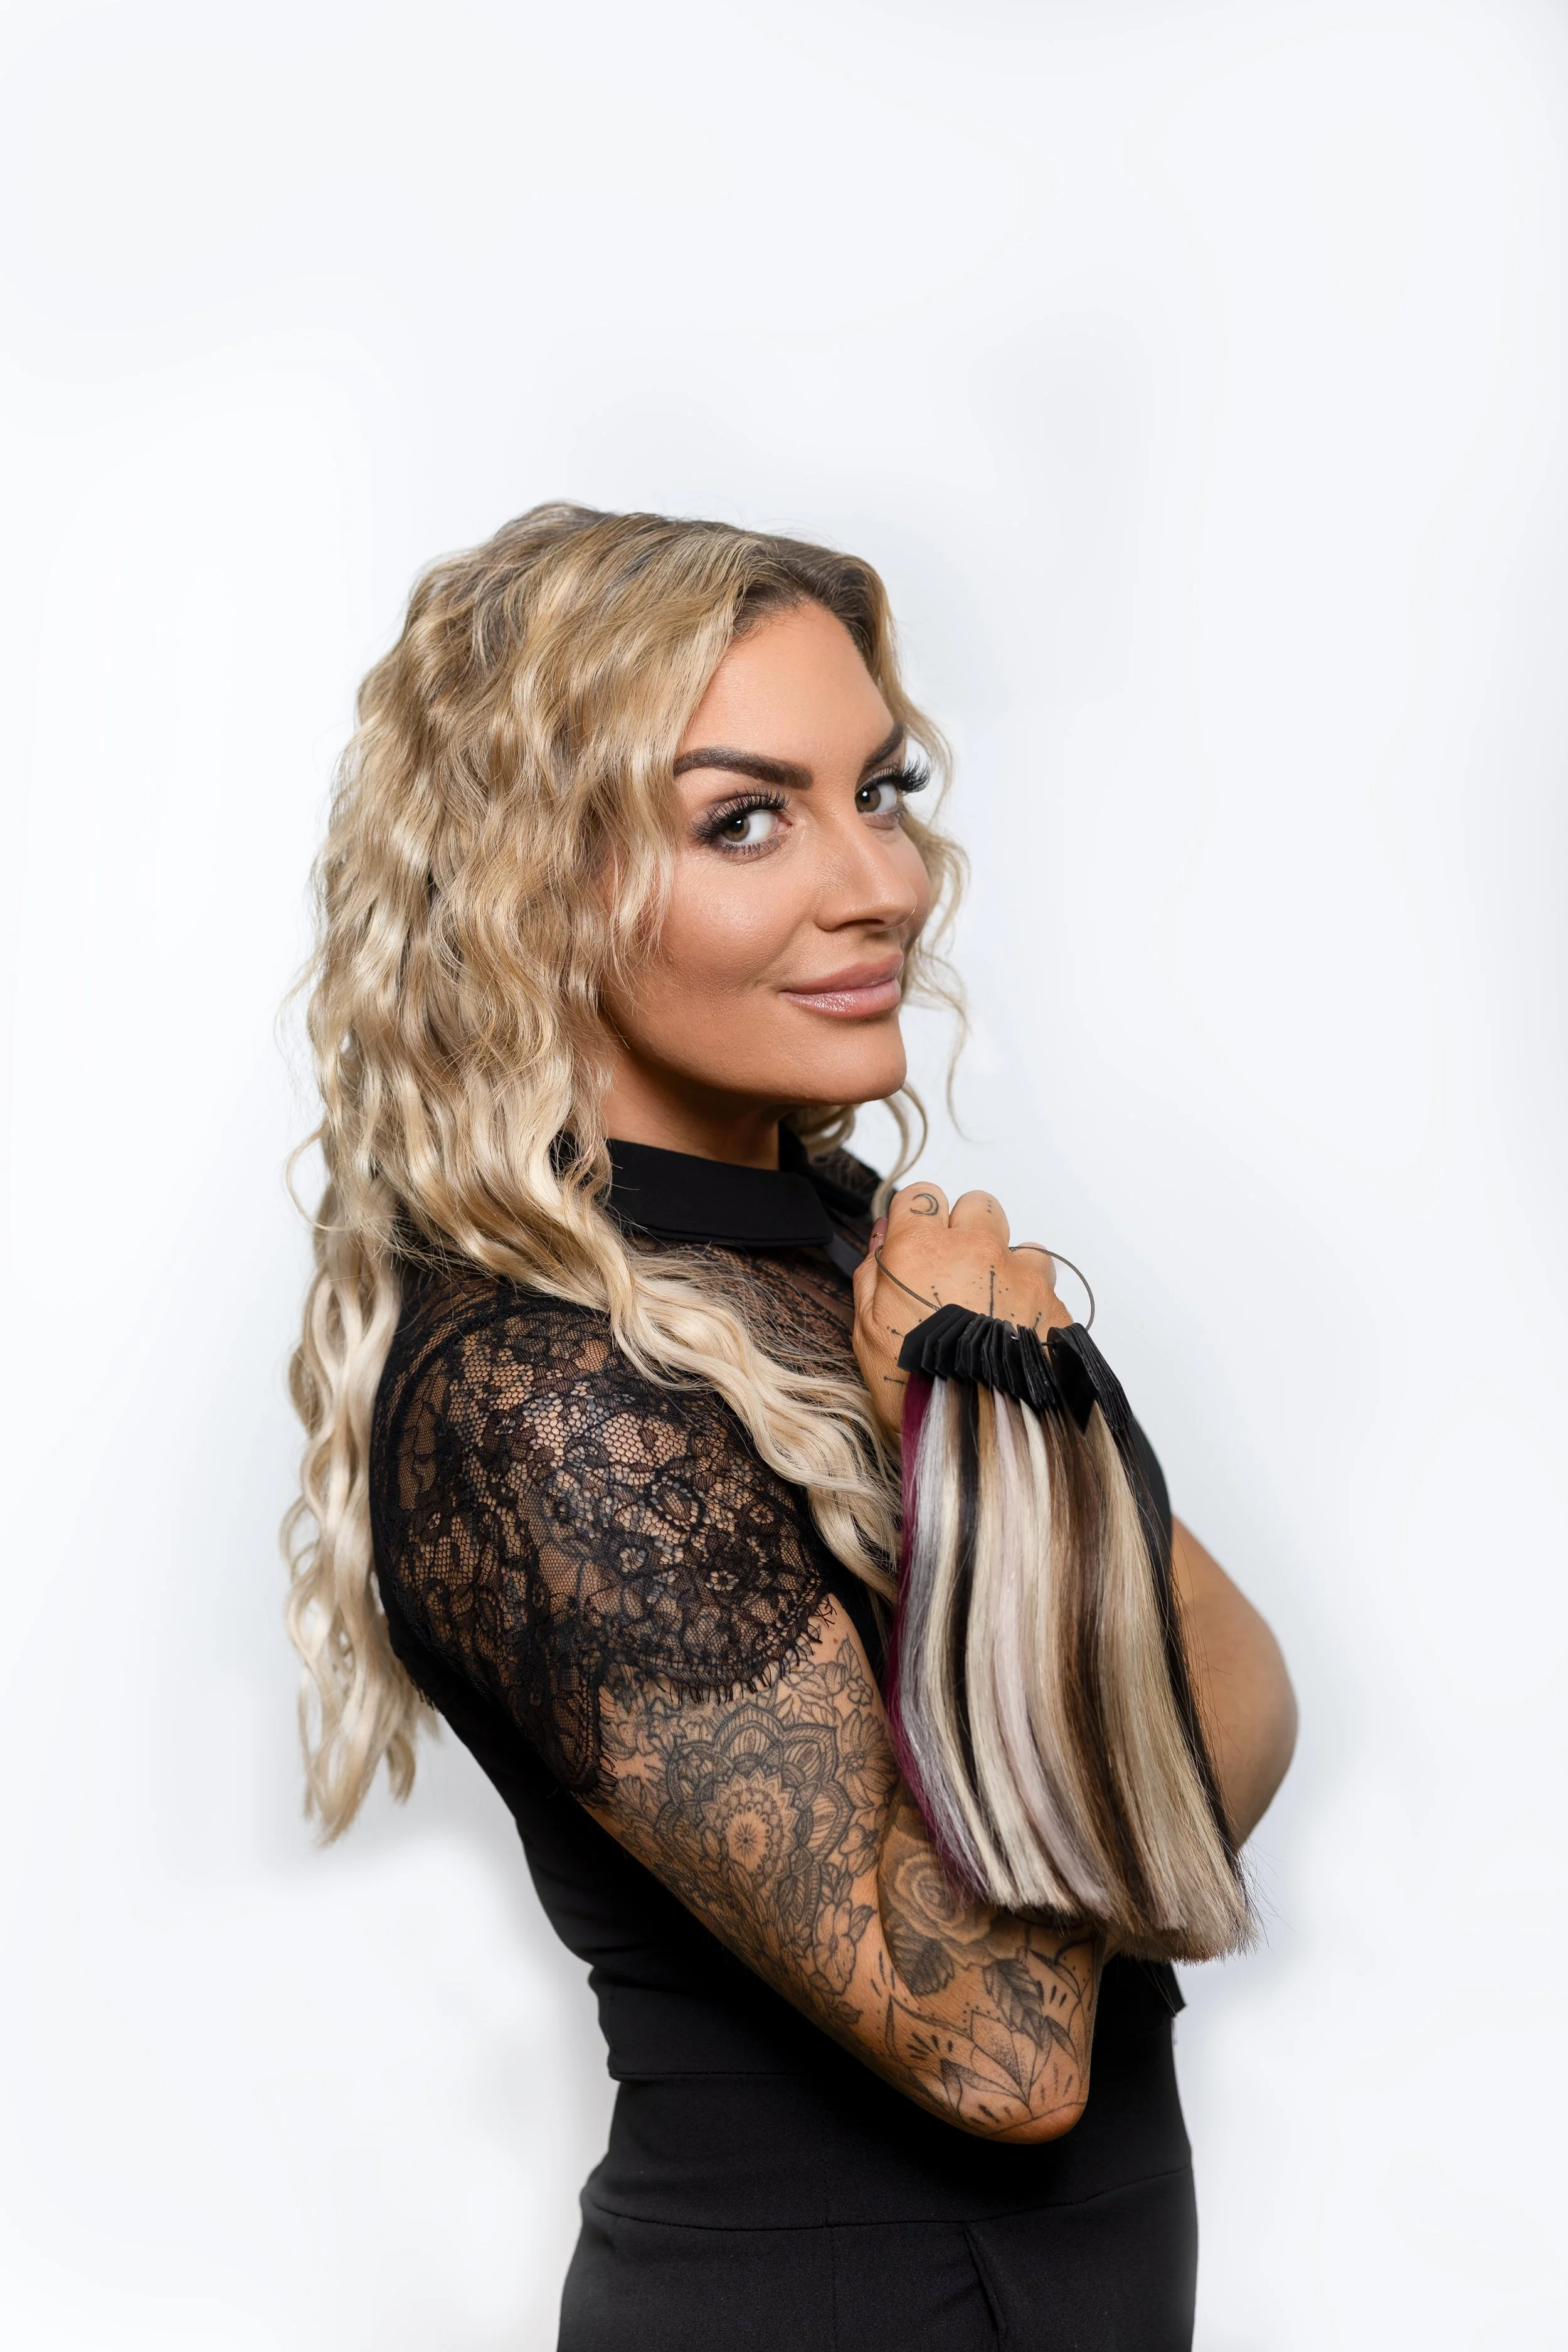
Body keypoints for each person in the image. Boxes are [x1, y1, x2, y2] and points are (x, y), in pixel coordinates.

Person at [286, 504, 1296, 2351]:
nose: (884, 883)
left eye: (880, 790)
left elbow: (1246, 1718)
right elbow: (1000, 2041)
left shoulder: (850, 1251)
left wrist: (1003, 1432)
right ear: (531, 882)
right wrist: (980, 1445)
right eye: (745, 816)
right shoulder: (542, 1395)